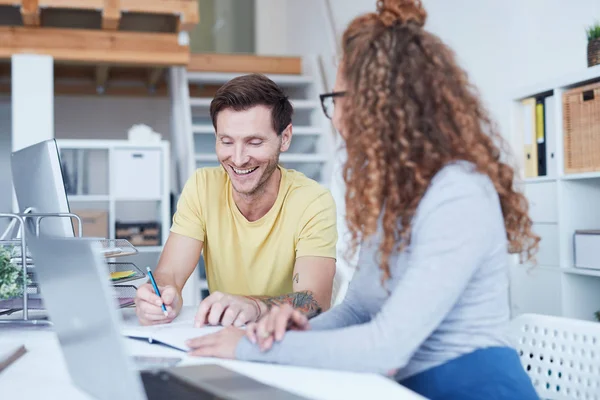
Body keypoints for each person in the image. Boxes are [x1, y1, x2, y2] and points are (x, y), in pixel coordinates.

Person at [181, 1, 541, 399]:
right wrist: (274, 331)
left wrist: (251, 348)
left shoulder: (458, 193)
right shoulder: (394, 196)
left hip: (470, 388)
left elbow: (387, 344)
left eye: (337, 98)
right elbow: (356, 311)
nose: (334, 116)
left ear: (384, 103)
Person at [134, 74, 337, 328]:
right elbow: (170, 274)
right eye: (227, 142)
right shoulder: (202, 186)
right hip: (225, 338)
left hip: (288, 340)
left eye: (254, 142)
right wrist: (162, 294)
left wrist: (254, 306)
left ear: (284, 138)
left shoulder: (312, 201)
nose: (238, 159)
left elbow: (314, 301)